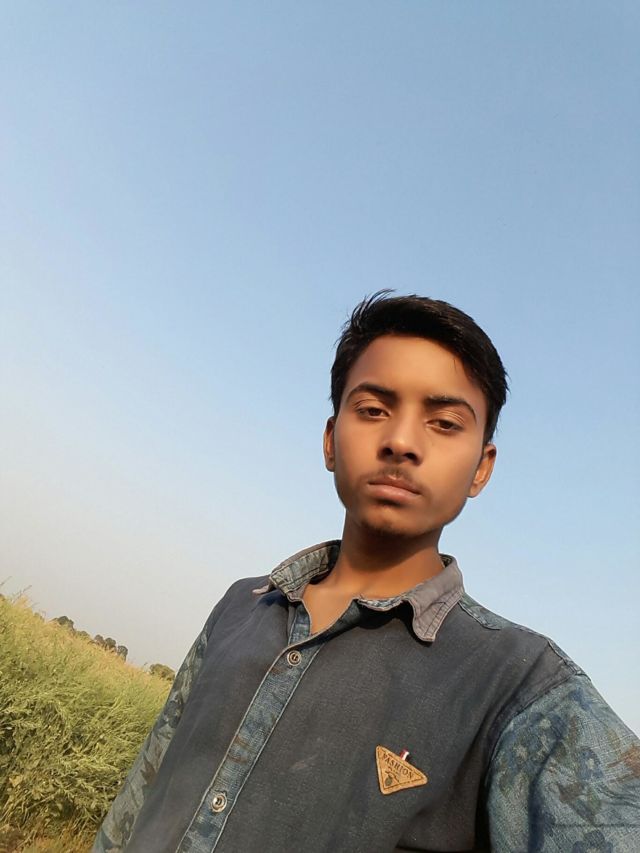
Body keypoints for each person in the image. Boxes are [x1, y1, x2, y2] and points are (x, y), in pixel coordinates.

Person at [93, 293, 639, 853]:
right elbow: (140, 796)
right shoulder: (242, 605)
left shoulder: (521, 688)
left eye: (445, 422)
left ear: (482, 468)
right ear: (331, 440)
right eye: (374, 410)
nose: (401, 442)